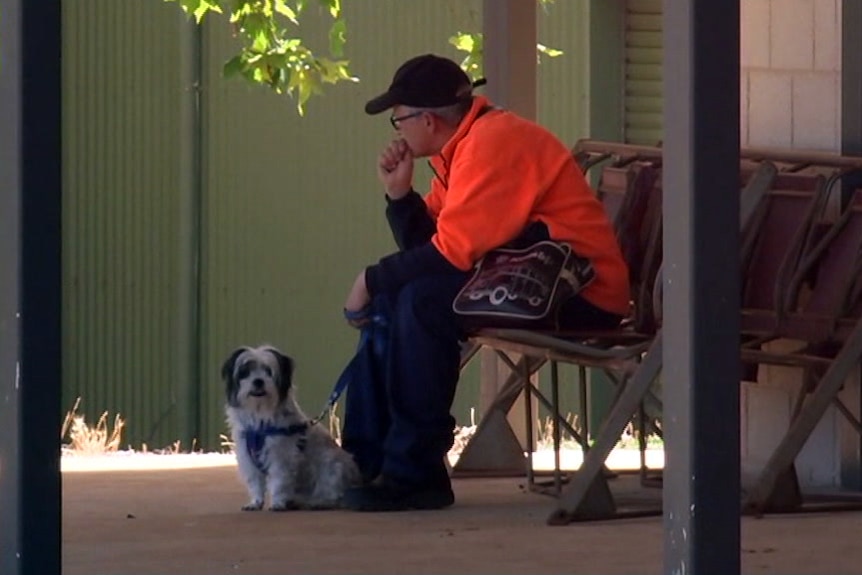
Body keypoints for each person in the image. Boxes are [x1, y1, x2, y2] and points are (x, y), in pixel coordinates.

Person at [338, 54, 630, 512]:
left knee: (419, 303)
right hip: (531, 280)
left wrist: (368, 280)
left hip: (580, 293)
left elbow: (450, 254)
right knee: (405, 295)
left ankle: (415, 474)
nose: (397, 131)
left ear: (427, 119)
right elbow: (432, 245)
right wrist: (399, 196)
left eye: (398, 120)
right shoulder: (465, 145)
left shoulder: (493, 142)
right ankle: (367, 460)